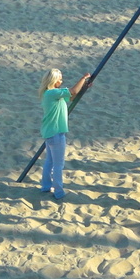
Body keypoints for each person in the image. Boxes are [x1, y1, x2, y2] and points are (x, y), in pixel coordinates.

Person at [39, 68, 92, 199]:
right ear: (53, 80)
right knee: (58, 165)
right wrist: (82, 79)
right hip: (56, 132)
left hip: (50, 132)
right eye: (60, 79)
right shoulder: (53, 93)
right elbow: (73, 91)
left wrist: (84, 87)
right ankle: (58, 192)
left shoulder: (51, 94)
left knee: (50, 162)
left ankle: (46, 186)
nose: (61, 81)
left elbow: (72, 96)